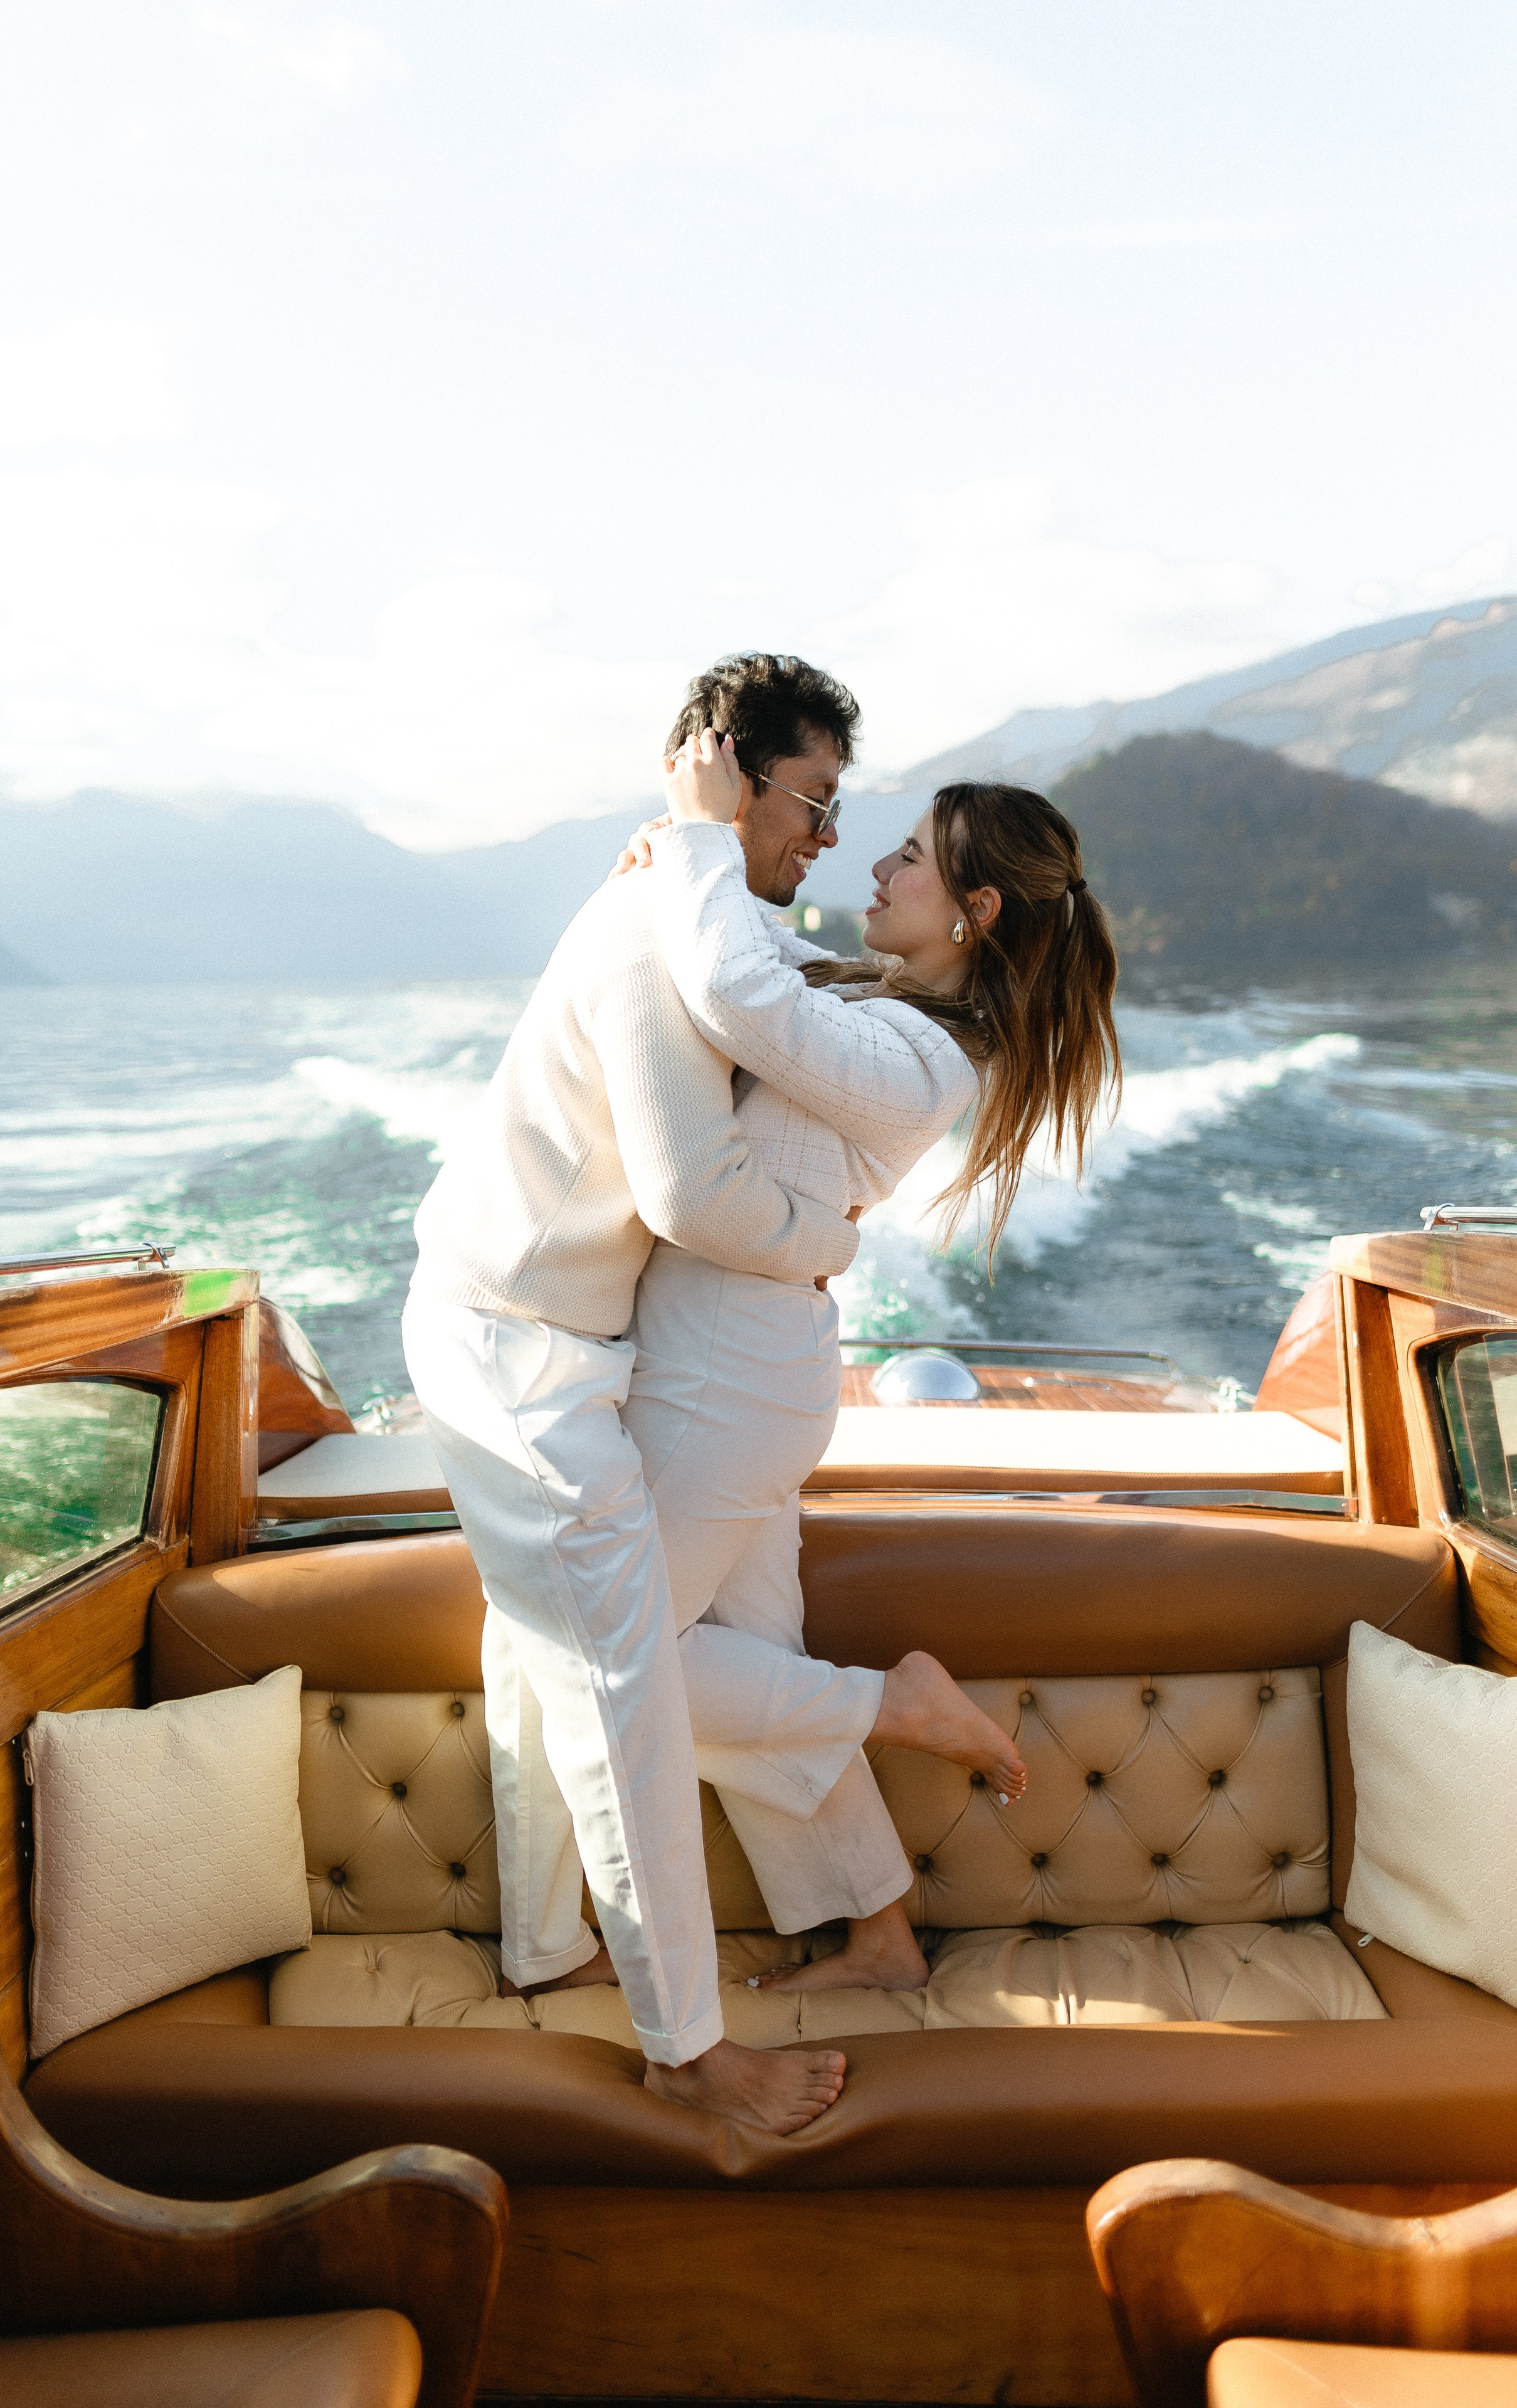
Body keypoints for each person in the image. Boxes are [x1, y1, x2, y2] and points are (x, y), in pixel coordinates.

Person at [504, 679, 1123, 2001]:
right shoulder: (868, 1000)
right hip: (741, 1379)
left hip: (722, 1388)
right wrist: (671, 867)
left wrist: (690, 849)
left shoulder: (922, 1056)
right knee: (749, 1668)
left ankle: (892, 1705)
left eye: (911, 855)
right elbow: (739, 962)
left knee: (619, 1662)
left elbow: (734, 992)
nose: (876, 862)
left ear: (974, 914)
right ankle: (876, 1925)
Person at [401, 656, 868, 2133]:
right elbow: (691, 1192)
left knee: (550, 1646)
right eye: (810, 799)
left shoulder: (688, 906)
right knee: (619, 1682)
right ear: (726, 773)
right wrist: (832, 1243)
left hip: (570, 1347)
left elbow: (774, 1003)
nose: (827, 837)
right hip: (513, 1353)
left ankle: (546, 1954)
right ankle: (685, 2047)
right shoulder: (642, 933)